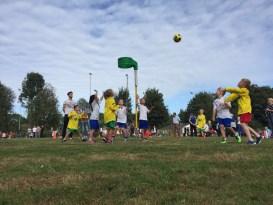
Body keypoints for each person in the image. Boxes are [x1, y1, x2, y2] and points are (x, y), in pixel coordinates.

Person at [224, 78, 262, 144]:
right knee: (245, 125)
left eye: (240, 81)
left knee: (243, 124)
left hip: (245, 110)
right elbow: (233, 96)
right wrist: (226, 100)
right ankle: (258, 136)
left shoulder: (244, 90)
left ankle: (251, 140)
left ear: (244, 84)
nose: (238, 82)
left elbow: (235, 90)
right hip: (243, 111)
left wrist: (226, 89)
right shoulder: (240, 92)